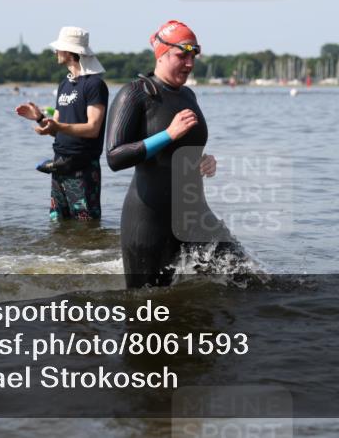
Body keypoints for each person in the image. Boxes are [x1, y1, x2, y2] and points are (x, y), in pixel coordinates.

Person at [106, 20, 241, 288]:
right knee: (148, 306)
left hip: (195, 215)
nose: (190, 63)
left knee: (247, 279)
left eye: (194, 56)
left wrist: (203, 159)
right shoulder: (135, 94)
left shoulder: (188, 95)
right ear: (161, 54)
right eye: (182, 55)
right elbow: (114, 156)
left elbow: (183, 145)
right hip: (149, 221)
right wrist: (168, 134)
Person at [15, 27, 108, 221]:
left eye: (59, 48)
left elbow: (93, 129)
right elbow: (56, 128)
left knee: (86, 225)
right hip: (59, 164)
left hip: (83, 167)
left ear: (69, 51)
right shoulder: (64, 84)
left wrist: (58, 127)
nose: (55, 52)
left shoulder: (94, 85)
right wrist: (41, 119)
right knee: (57, 222)